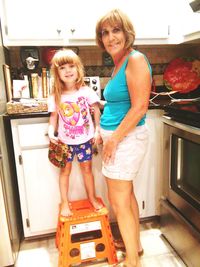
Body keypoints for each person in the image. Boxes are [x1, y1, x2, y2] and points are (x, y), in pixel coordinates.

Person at [95, 9, 152, 267]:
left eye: (115, 30)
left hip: (125, 140)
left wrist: (113, 138)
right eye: (105, 32)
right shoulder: (119, 61)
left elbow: (140, 107)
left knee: (119, 201)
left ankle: (131, 261)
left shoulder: (135, 59)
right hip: (118, 139)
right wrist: (102, 130)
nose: (110, 37)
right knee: (125, 197)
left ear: (127, 32)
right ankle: (135, 247)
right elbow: (120, 103)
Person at [47, 49, 103, 217]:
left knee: (87, 170)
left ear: (78, 69)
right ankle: (65, 202)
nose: (68, 70)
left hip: (86, 140)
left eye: (71, 66)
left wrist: (97, 130)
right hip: (65, 143)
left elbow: (96, 111)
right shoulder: (55, 96)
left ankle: (92, 198)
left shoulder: (86, 91)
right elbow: (53, 118)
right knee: (65, 172)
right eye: (62, 68)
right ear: (57, 72)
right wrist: (51, 131)